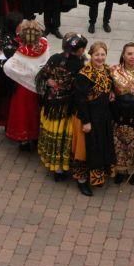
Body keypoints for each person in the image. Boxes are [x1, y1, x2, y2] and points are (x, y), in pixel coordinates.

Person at [36, 33, 87, 180]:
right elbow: (79, 88)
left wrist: (51, 84)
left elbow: (42, 76)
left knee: (52, 134)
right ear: (80, 50)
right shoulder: (79, 65)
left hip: (51, 106)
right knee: (64, 137)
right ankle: (62, 167)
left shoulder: (55, 58)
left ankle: (55, 168)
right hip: (66, 108)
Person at [72, 42, 116, 196]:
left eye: (103, 54)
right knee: (84, 150)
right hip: (88, 117)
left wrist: (111, 92)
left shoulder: (107, 69)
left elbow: (109, 86)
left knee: (99, 147)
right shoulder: (84, 75)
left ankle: (97, 177)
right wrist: (86, 122)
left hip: (102, 116)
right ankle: (81, 180)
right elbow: (80, 100)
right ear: (91, 55)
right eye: (97, 54)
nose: (100, 58)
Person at [1, 19, 50, 151]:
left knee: (24, 114)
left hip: (24, 88)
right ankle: (38, 137)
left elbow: (8, 68)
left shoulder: (21, 52)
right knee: (37, 112)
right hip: (40, 86)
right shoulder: (45, 44)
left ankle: (26, 140)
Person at [110, 42, 134, 185]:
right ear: (123, 55)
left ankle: (131, 170)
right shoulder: (113, 70)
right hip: (119, 112)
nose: (133, 57)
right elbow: (109, 86)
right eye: (129, 53)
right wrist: (110, 92)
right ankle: (120, 171)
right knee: (118, 143)